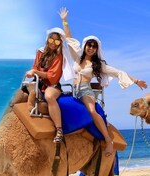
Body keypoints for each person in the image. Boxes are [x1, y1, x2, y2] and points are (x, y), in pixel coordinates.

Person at [59, 7, 148, 156]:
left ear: (96, 49)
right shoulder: (77, 57)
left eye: (94, 46)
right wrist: (64, 21)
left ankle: (108, 141)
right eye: (89, 45)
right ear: (85, 45)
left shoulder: (98, 65)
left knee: (92, 111)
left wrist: (136, 80)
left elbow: (118, 71)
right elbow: (70, 40)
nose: (91, 48)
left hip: (85, 90)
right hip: (72, 90)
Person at [26, 27, 75, 143]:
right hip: (38, 83)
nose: (53, 43)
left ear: (60, 43)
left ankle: (59, 130)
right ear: (47, 40)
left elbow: (52, 76)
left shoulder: (59, 56)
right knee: (21, 94)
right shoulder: (40, 52)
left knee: (49, 96)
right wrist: (33, 72)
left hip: (52, 85)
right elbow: (35, 67)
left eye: (57, 41)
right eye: (51, 40)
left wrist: (35, 72)